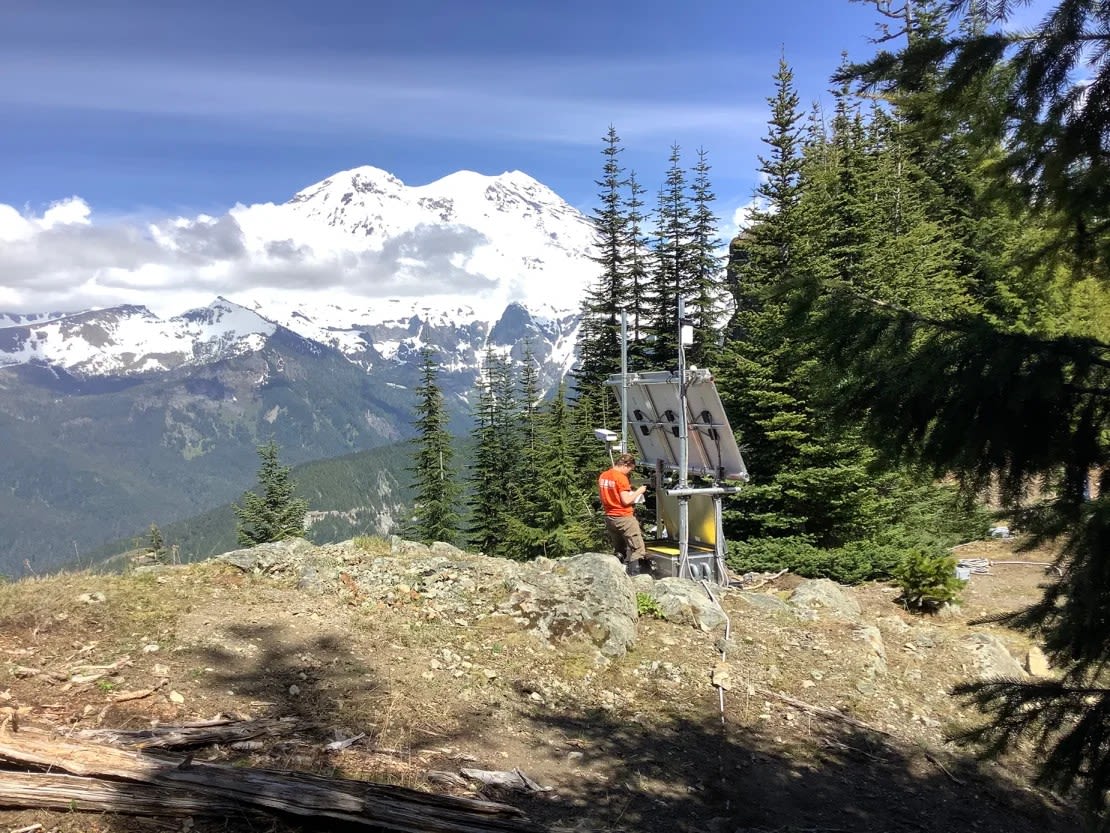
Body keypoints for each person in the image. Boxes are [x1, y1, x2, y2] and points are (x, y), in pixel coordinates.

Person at [598, 452, 649, 567]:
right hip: (624, 518)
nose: (629, 472)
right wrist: (639, 491)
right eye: (630, 469)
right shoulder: (621, 478)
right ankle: (635, 577)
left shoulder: (604, 476)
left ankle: (617, 573)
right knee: (638, 549)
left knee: (619, 549)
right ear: (626, 465)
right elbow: (626, 500)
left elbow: (603, 496)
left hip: (610, 517)